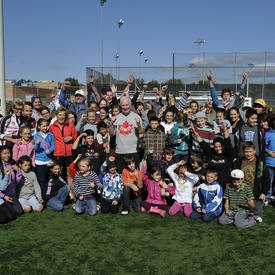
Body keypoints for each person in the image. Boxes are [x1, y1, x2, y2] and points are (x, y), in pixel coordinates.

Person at [190, 122, 235, 189]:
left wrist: (225, 131)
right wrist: (195, 133)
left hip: (225, 185)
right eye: (216, 147)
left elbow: (228, 143)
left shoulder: (228, 155)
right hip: (211, 185)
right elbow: (202, 143)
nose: (218, 149)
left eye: (220, 146)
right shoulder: (211, 153)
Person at [109, 96, 144, 173]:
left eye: (127, 105)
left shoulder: (136, 117)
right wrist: (111, 124)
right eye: (123, 105)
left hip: (133, 151)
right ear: (120, 106)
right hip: (120, 152)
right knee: (121, 174)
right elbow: (111, 134)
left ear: (130, 105)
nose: (125, 107)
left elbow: (141, 133)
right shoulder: (116, 118)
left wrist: (138, 124)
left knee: (133, 175)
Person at [234, 141, 269, 211]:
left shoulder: (260, 163)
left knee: (256, 210)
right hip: (242, 191)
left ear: (254, 151)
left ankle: (260, 203)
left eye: (250, 151)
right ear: (243, 152)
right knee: (237, 209)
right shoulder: (239, 162)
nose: (248, 154)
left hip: (256, 193)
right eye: (246, 152)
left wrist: (264, 193)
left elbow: (266, 179)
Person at [49, 107, 77, 179]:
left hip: (69, 152)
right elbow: (48, 139)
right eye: (59, 115)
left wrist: (71, 138)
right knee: (58, 171)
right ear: (56, 116)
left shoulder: (70, 125)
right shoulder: (52, 127)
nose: (61, 117)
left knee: (69, 172)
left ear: (65, 116)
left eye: (63, 115)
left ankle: (70, 189)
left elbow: (75, 137)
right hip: (58, 152)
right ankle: (60, 188)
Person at [34, 118, 55, 198]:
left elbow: (53, 146)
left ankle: (48, 195)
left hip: (48, 160)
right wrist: (37, 144)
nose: (45, 127)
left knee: (48, 179)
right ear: (39, 126)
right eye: (43, 126)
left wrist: (50, 150)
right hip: (39, 161)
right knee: (41, 180)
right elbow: (36, 149)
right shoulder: (36, 136)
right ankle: (41, 196)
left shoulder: (50, 135)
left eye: (47, 126)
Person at [0, 146, 23, 215]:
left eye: (8, 153)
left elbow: (16, 182)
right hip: (3, 195)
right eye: (4, 153)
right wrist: (3, 196)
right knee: (11, 213)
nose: (7, 155)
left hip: (12, 195)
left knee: (19, 211)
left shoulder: (12, 165)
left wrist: (18, 171)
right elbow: (1, 187)